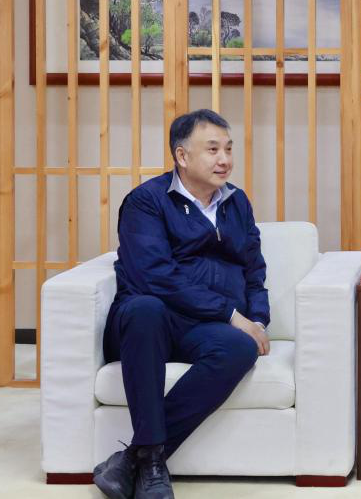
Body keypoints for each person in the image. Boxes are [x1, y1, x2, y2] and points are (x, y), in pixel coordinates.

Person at [92, 109, 270, 499]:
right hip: (148, 325)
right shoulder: (146, 201)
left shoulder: (237, 202)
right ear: (182, 156)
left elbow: (254, 268)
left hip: (202, 327)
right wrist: (229, 313)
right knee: (146, 308)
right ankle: (152, 464)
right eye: (212, 149)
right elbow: (154, 275)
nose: (224, 159)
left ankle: (139, 458)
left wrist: (256, 320)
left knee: (239, 347)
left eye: (228, 149)